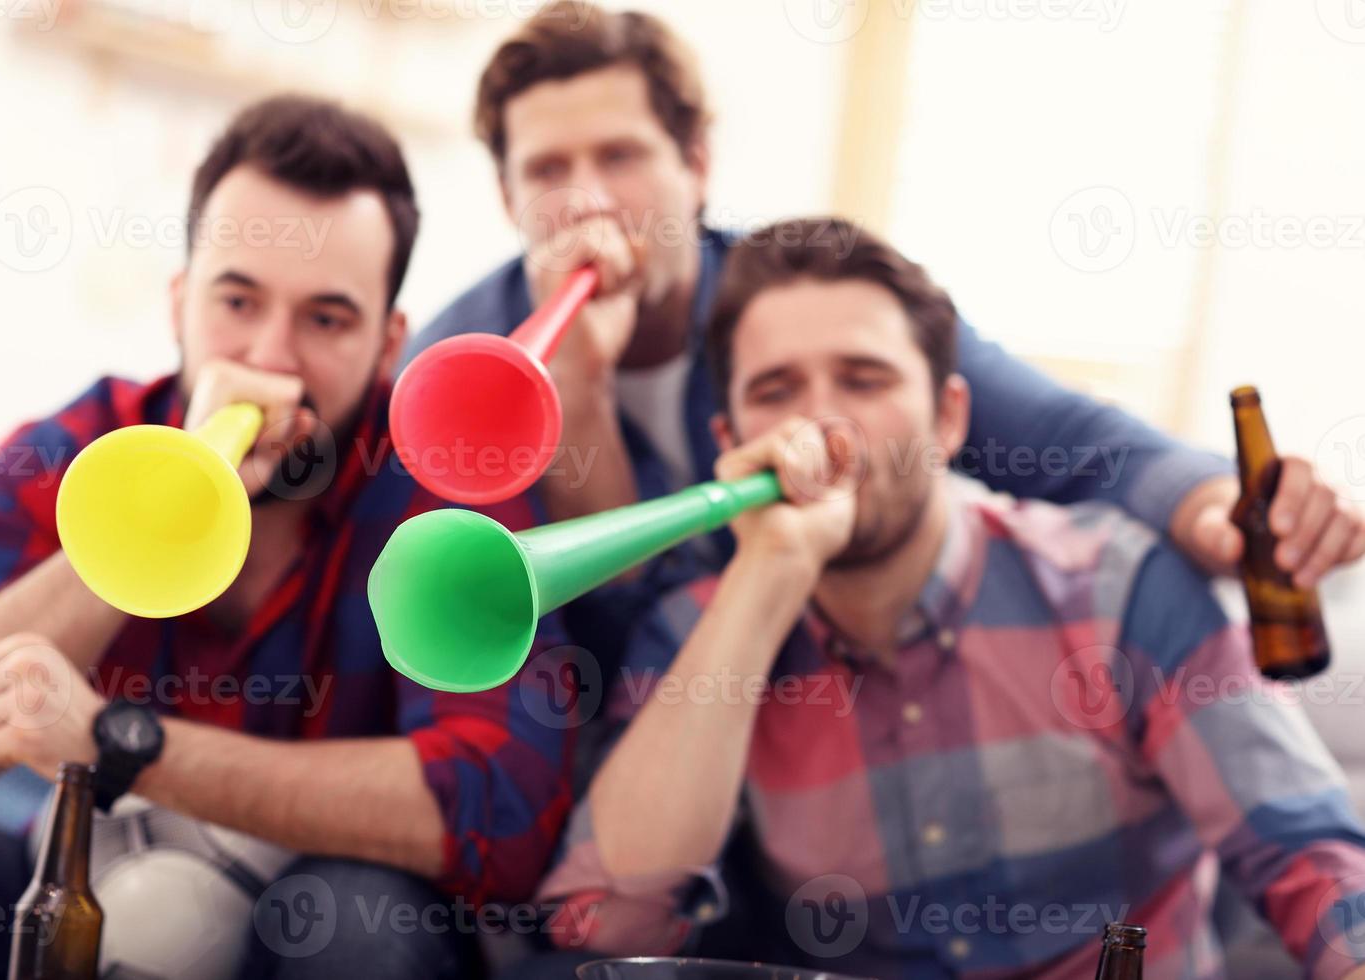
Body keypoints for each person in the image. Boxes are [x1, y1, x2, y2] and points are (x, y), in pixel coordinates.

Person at [523, 218, 1365, 979]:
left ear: (950, 418)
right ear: (727, 440)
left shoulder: (1115, 587)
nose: (823, 428)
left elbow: (1313, 861)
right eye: (776, 392)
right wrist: (770, 573)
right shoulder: (697, 628)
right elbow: (601, 925)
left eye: (864, 379)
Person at [405, 1, 1365, 666]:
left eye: (621, 155)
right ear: (503, 196)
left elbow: (1064, 440)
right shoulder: (444, 376)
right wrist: (573, 395)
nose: (589, 199)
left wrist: (1215, 508)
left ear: (697, 164)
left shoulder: (802, 305)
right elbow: (609, 654)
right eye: (548, 169)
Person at [0, 95, 574, 980]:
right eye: (238, 300)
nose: (271, 356)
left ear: (387, 343)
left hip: (315, 915)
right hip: (71, 870)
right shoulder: (69, 449)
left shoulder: (445, 485)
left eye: (326, 318)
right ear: (180, 303)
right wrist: (151, 521)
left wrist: (116, 743)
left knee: (358, 924)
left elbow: (496, 809)